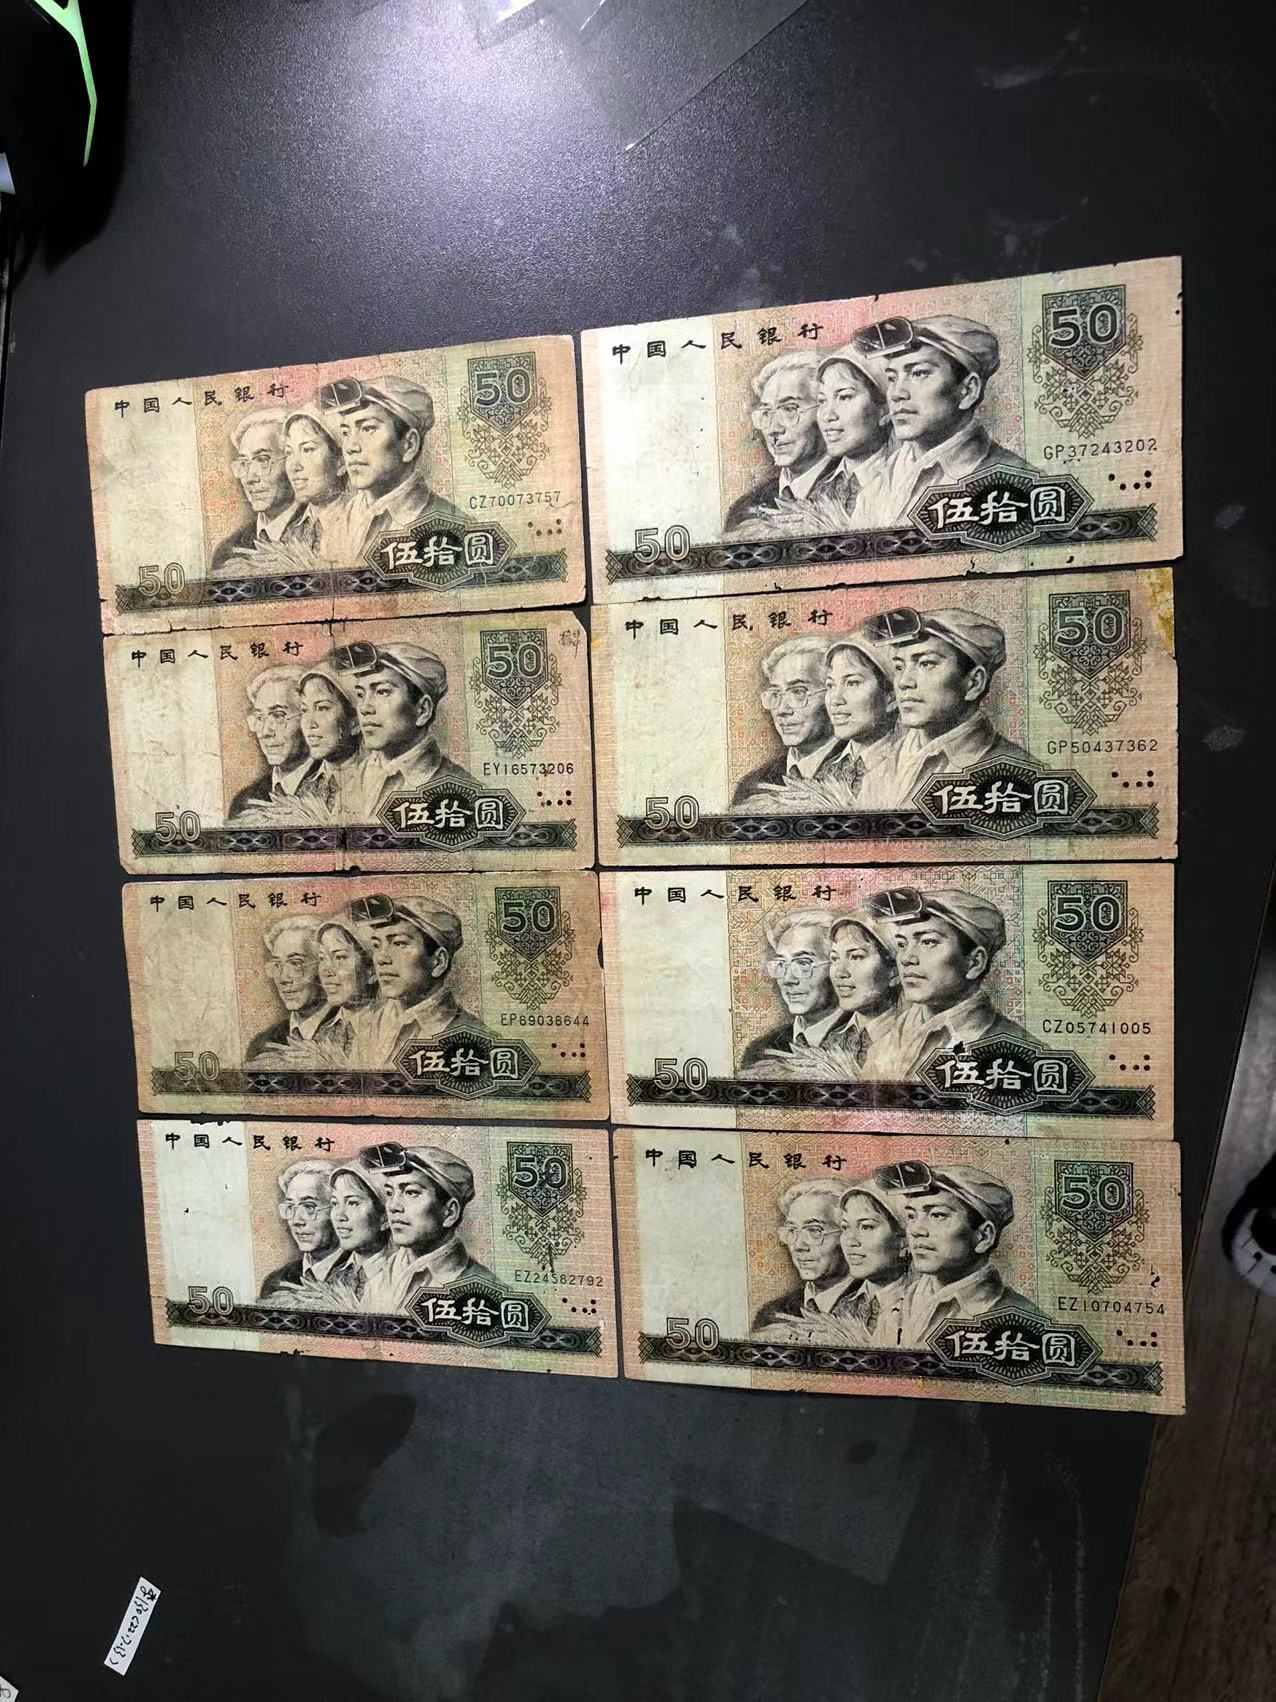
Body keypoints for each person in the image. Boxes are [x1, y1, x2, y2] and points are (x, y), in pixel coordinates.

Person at [851, 314, 1030, 526]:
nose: (897, 393)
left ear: (968, 390)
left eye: (919, 373)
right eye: (892, 378)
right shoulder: (878, 484)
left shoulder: (1017, 481)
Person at [862, 605, 1039, 807]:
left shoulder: (1020, 773)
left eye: (926, 663)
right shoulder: (878, 763)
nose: (903, 681)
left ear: (974, 683)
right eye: (899, 667)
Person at [862, 887, 1034, 1079]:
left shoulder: (1019, 1054)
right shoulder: (889, 1040)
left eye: (928, 942)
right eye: (902, 944)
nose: (906, 958)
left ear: (975, 962)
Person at [872, 1159, 1042, 1347]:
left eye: (937, 1215)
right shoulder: (897, 1307)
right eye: (912, 1216)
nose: (915, 1230)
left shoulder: (1024, 1322)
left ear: (984, 1236)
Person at [315, 373, 466, 564]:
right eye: (346, 432)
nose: (350, 447)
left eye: (368, 429)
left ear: (409, 444)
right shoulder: (339, 521)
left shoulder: (454, 526)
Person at [330, 639, 478, 821]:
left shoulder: (462, 792)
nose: (364, 708)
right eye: (360, 694)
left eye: (382, 692)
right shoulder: (352, 779)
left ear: (422, 710)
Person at [345, 894, 489, 1065]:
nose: (381, 958)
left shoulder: (474, 1038)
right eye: (377, 945)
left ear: (438, 961)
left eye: (399, 943)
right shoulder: (368, 1025)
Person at [359, 1141, 495, 1309]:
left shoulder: (483, 1291)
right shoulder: (380, 1278)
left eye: (411, 1192)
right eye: (389, 1193)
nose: (393, 1206)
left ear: (450, 1212)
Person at [724, 352, 839, 532]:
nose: (773, 429)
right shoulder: (744, 510)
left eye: (789, 409)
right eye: (766, 413)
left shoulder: (853, 494)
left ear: (824, 411)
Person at [731, 634, 840, 805]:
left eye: (798, 692)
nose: (782, 710)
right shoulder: (753, 786)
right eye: (775, 694)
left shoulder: (860, 772)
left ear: (833, 694)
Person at [740, 909, 844, 1068]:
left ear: (836, 966)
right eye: (781, 964)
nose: (788, 980)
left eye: (803, 963)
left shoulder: (866, 1042)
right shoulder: (761, 1051)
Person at [210, 407, 305, 574]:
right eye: (244, 463)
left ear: (291, 461)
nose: (250, 478)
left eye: (263, 460)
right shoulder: (228, 551)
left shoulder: (320, 534)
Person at [752, 1178, 855, 1331]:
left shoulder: (874, 1309)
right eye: (792, 1230)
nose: (799, 1246)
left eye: (814, 1230)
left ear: (847, 1234)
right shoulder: (772, 1315)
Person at [818, 634, 902, 806]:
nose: (835, 699)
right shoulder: (826, 770)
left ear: (891, 696)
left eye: (852, 683)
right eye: (830, 685)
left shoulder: (906, 765)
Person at [813, 343, 892, 524]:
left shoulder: (900, 482)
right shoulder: (820, 490)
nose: (828, 415)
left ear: (885, 410)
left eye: (844, 397)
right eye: (822, 400)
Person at [245, 917, 343, 1060]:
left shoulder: (350, 1032)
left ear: (323, 965)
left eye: (296, 963)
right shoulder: (262, 1045)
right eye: (277, 965)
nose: (284, 978)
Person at [830, 1180, 914, 1346]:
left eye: (866, 1227)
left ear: (904, 1242)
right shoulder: (842, 1306)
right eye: (845, 1227)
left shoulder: (920, 1307)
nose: (851, 1241)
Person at [228, 664, 319, 819]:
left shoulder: (333, 788)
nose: (265, 732)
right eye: (259, 718)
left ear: (306, 717)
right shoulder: (245, 802)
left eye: (278, 716)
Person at [824, 908, 904, 1077]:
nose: (840, 972)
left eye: (856, 957)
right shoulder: (831, 1040)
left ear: (894, 972)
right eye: (835, 958)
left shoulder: (911, 1039)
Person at [260, 1160, 341, 1298]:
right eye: (290, 1207)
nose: (297, 1221)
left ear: (336, 1209)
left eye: (309, 1207)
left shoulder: (361, 1276)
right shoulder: (276, 1283)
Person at [282, 406, 349, 558]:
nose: (294, 466)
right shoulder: (290, 533)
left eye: (307, 450)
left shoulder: (360, 524)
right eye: (289, 453)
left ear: (340, 461)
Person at [297, 667, 362, 816]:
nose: (310, 723)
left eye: (322, 708)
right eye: (304, 710)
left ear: (355, 721)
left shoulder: (377, 781)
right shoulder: (305, 789)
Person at [326, 1160, 393, 1304]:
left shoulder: (399, 1276)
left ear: (385, 1217)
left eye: (352, 1203)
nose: (339, 1216)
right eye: (335, 1203)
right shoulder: (333, 1276)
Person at [315, 919, 379, 1060]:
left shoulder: (388, 1029)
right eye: (322, 959)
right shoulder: (323, 1033)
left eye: (340, 957)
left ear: (372, 971)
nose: (326, 971)